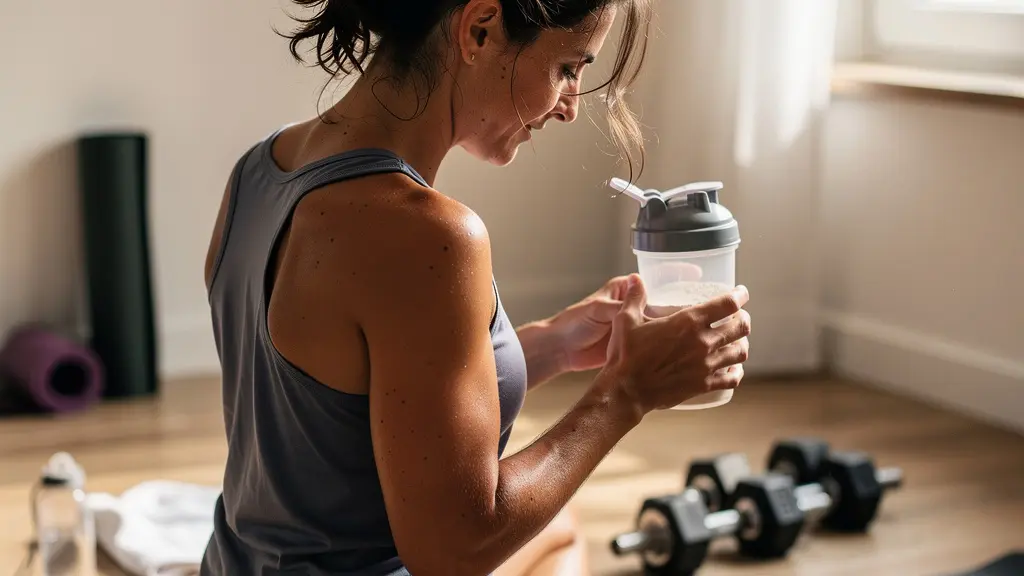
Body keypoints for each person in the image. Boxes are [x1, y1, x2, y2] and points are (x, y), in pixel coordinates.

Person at [201, 0, 752, 574]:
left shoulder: (260, 171)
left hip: (233, 563)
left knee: (557, 529)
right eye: (567, 67)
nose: (569, 105)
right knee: (559, 538)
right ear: (480, 29)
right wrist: (627, 391)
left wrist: (555, 343)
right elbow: (456, 549)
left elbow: (346, 406)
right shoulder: (425, 235)